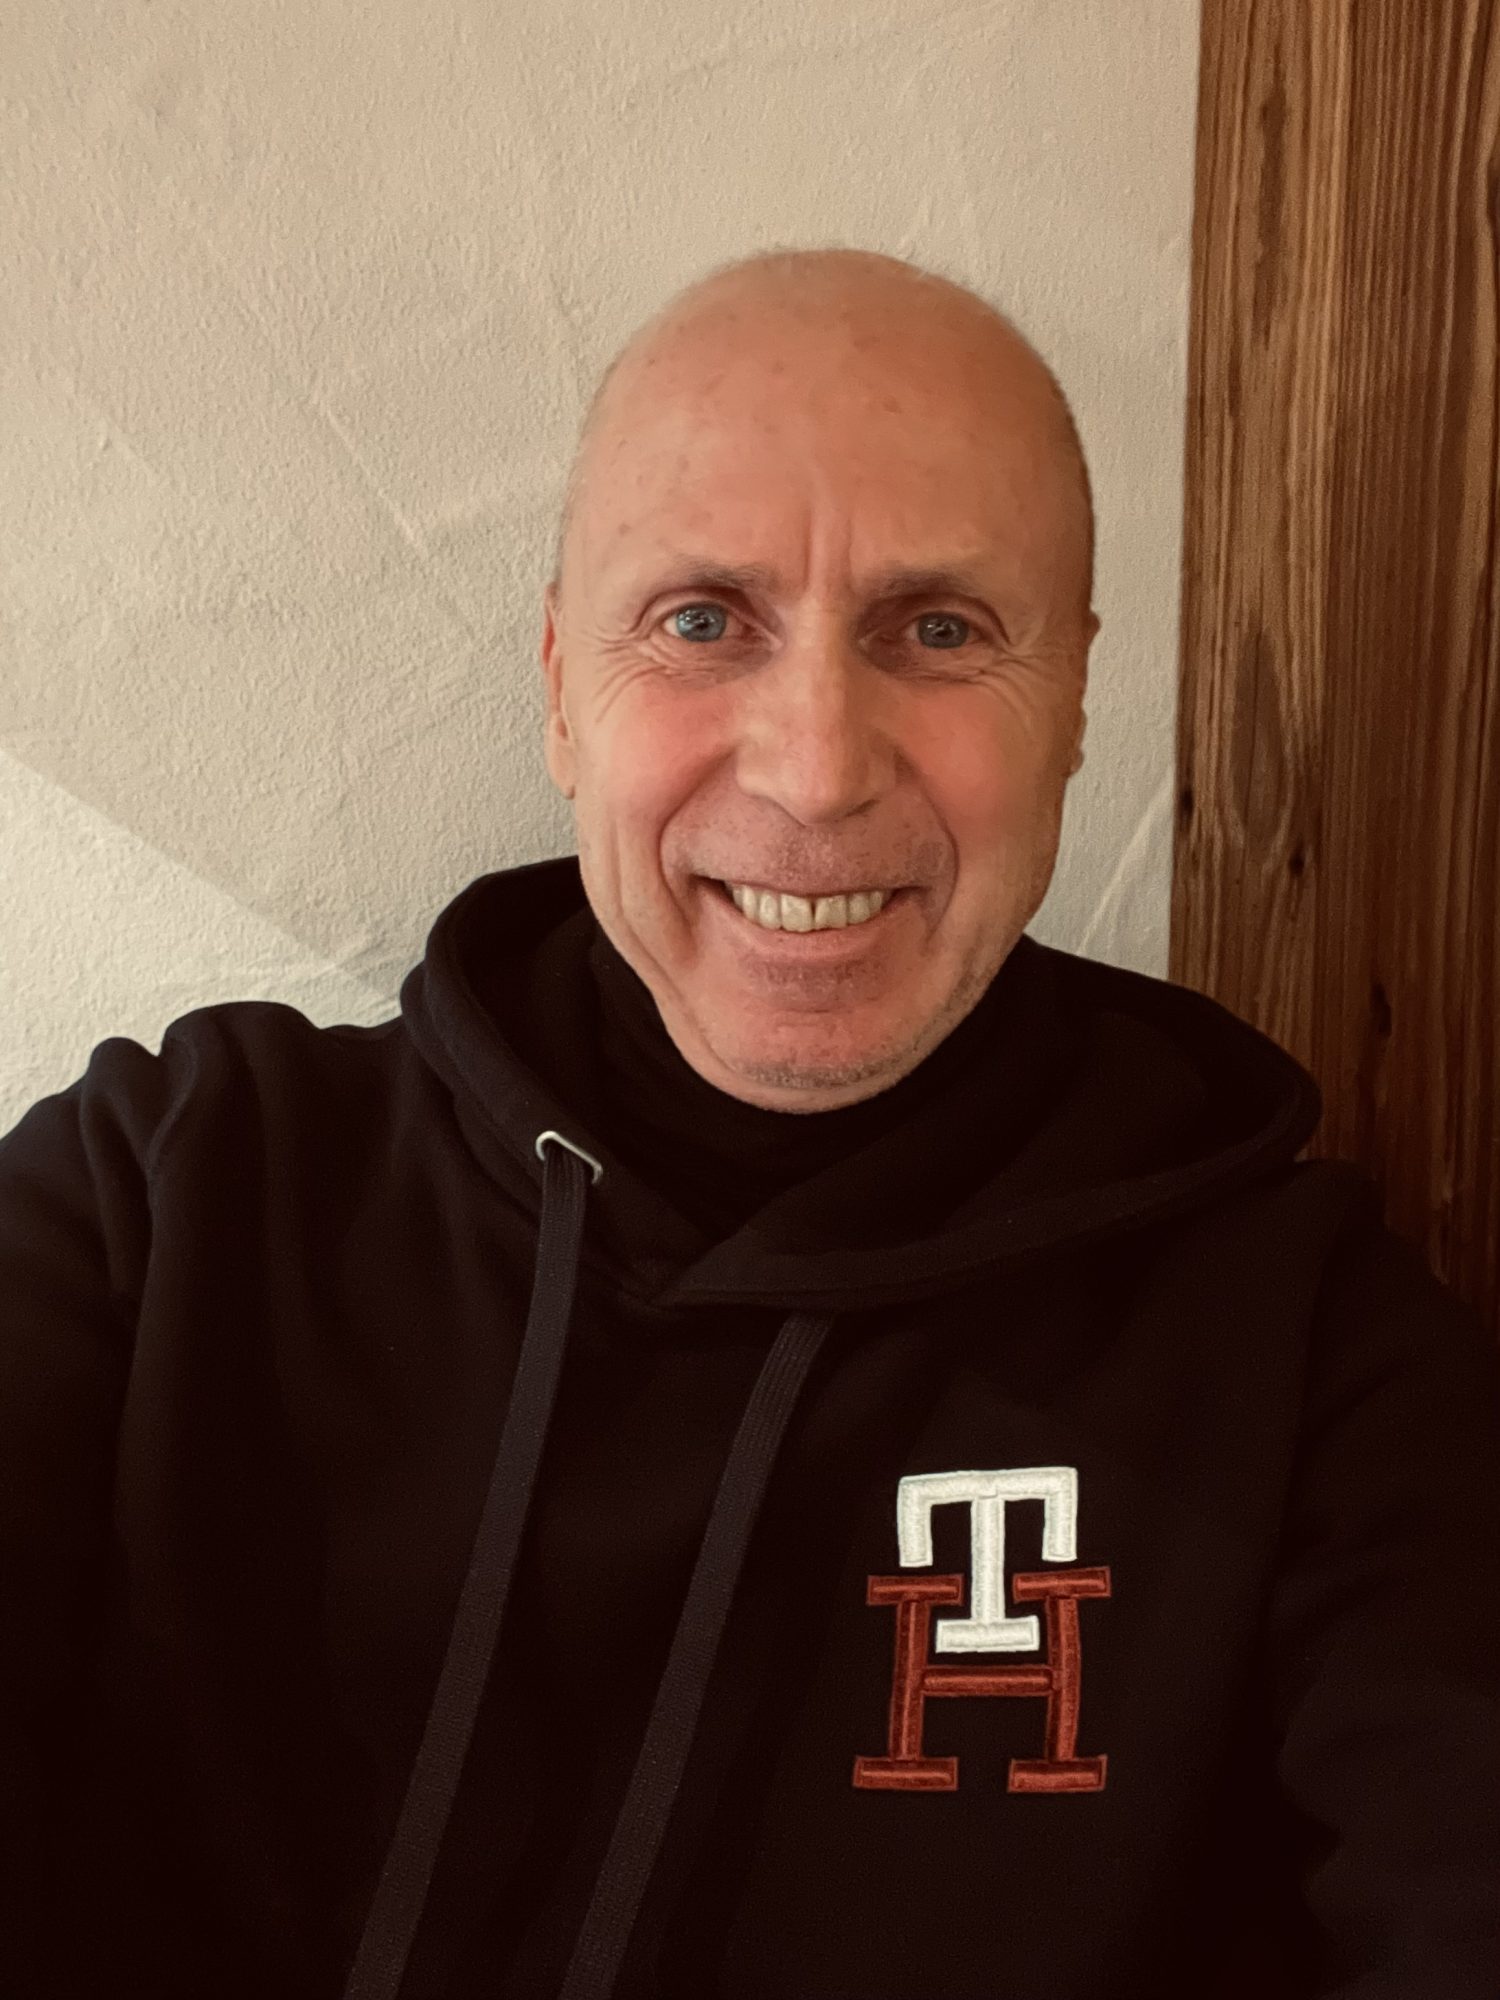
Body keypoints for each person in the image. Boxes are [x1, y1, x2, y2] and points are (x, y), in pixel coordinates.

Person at [1, 246, 1496, 2000]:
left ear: (1077, 700)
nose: (815, 768)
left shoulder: (1314, 1357)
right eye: (704, 622)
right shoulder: (164, 1201)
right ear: (562, 685)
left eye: (939, 631)